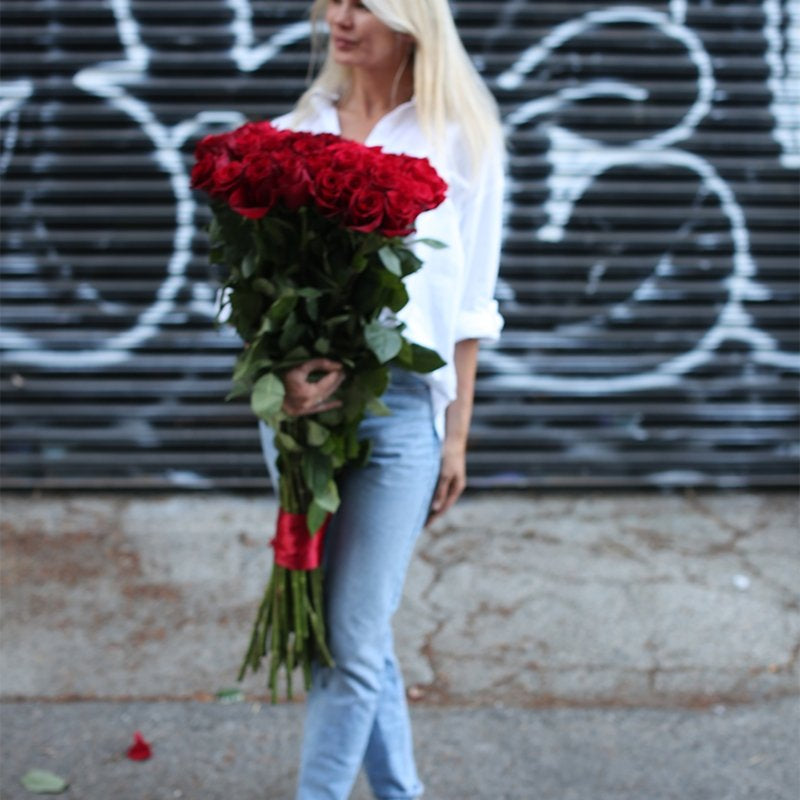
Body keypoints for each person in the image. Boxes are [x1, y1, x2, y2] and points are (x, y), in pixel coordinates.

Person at [259, 1, 505, 797]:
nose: (339, 15)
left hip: (401, 411)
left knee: (352, 637)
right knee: (357, 631)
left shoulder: (460, 139)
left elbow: (470, 303)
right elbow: (247, 290)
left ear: (410, 19)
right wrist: (285, 374)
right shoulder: (296, 129)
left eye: (363, 2)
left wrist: (455, 436)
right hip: (301, 412)